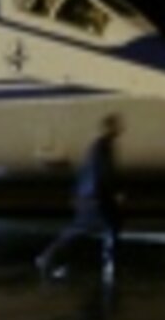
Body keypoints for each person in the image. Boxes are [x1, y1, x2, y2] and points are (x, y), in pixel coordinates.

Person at [37, 113, 124, 279]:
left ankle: (49, 258)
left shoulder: (97, 146)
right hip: (94, 198)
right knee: (99, 228)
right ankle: (48, 258)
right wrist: (115, 192)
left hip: (89, 197)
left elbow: (86, 172)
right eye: (117, 126)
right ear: (110, 127)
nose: (121, 129)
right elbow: (105, 173)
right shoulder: (103, 146)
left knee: (97, 228)